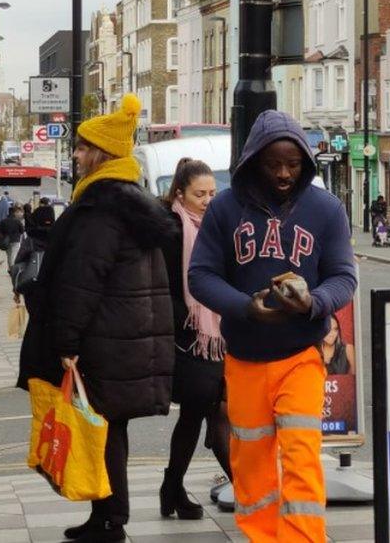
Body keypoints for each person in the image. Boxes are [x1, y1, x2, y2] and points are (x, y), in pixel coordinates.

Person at [189, 110, 357, 542]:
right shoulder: (225, 209)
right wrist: (246, 307)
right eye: (274, 164)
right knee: (251, 463)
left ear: (305, 162)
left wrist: (314, 302)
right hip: (244, 358)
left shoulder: (326, 209)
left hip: (301, 355)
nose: (284, 174)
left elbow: (344, 276)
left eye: (294, 164)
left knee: (301, 456)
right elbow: (201, 275)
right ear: (254, 162)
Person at [17, 94, 176, 543]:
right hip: (124, 338)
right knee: (107, 430)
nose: (76, 154)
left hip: (103, 341)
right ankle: (106, 515)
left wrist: (65, 341)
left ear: (103, 154)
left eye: (84, 148)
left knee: (101, 430)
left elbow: (81, 281)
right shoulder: (132, 202)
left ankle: (109, 521)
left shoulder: (100, 209)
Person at [160, 158, 232, 520]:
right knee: (207, 412)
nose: (207, 200)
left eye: (212, 193)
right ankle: (250, 494)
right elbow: (165, 286)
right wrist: (183, 321)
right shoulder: (172, 229)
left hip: (214, 334)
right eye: (199, 194)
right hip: (187, 338)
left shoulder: (214, 227)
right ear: (180, 193)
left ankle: (171, 490)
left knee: (201, 414)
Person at [0, 205, 26, 272]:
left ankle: (10, 268)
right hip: (15, 240)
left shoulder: (3, 221)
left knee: (9, 255)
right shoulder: (17, 221)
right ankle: (12, 268)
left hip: (6, 241)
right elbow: (22, 230)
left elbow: (0, 231)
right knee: (14, 255)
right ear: (14, 213)